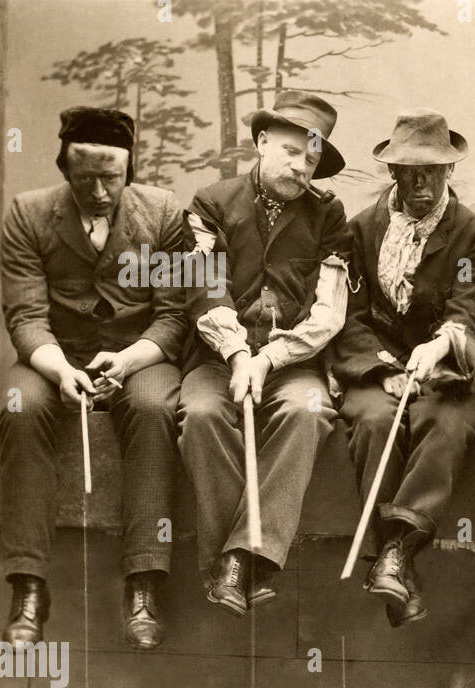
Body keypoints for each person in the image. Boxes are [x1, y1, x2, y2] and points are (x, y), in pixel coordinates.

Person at [0, 106, 190, 649]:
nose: (101, 192)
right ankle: (28, 585)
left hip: (139, 356)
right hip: (54, 355)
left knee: (155, 409)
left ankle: (144, 583)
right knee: (20, 405)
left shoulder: (163, 213)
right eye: (87, 179)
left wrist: (128, 360)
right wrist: (59, 369)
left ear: (130, 170)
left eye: (112, 178)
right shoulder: (27, 214)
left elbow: (174, 314)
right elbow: (25, 316)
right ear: (65, 170)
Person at [179, 91, 350, 617]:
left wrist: (270, 358)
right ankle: (241, 560)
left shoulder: (328, 214)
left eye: (312, 159)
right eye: (292, 152)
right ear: (261, 142)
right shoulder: (210, 202)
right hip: (215, 356)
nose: (302, 168)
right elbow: (203, 287)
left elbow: (329, 310)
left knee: (308, 411)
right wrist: (236, 354)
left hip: (293, 363)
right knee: (204, 415)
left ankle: (239, 562)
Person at [333, 109, 475, 628]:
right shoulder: (361, 229)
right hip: (375, 367)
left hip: (442, 368)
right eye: (409, 170)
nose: (421, 182)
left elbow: (468, 305)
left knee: (447, 422)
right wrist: (382, 369)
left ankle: (395, 552)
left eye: (434, 170)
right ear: (392, 174)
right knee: (375, 420)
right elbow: (347, 316)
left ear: (451, 172)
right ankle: (397, 563)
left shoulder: (470, 234)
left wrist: (442, 346)